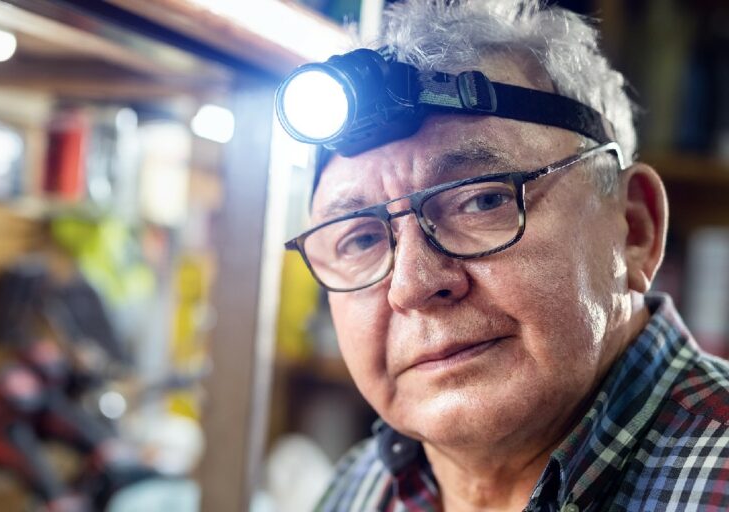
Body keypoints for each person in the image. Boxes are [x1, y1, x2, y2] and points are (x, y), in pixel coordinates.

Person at [277, 0, 729, 510]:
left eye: (482, 200)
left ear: (634, 228)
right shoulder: (357, 490)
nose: (413, 285)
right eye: (360, 239)